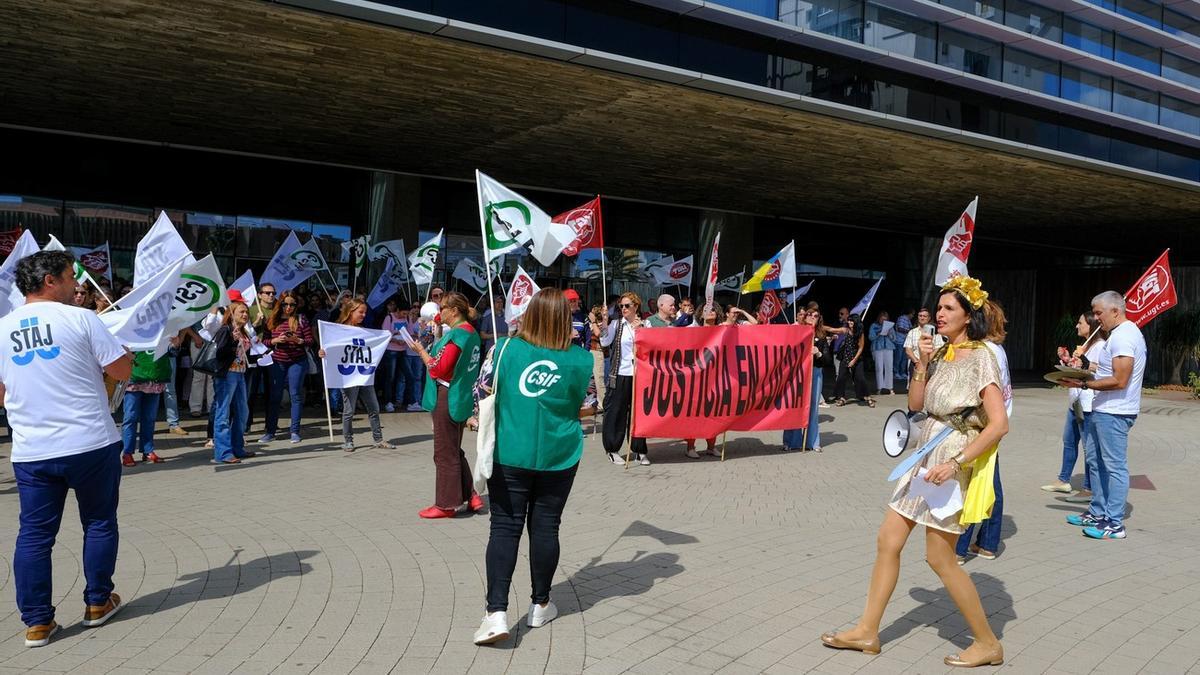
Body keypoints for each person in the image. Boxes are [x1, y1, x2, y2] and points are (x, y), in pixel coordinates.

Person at [820, 275, 1007, 667]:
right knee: (888, 539)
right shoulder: (938, 353)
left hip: (951, 459)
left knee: (940, 558)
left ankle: (988, 642)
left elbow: (998, 424)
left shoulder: (982, 356)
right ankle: (868, 631)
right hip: (924, 452)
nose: (939, 314)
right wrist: (922, 363)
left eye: (948, 308)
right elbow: (918, 403)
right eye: (938, 307)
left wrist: (957, 464)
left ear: (967, 316)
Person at [0, 251, 132, 647]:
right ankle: (97, 603)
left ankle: (37, 623)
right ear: (49, 281)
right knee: (99, 522)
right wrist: (125, 352)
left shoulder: (1, 328)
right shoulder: (82, 318)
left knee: (35, 536)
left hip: (32, 449)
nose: (78, 285)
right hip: (89, 442)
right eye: (72, 277)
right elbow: (122, 370)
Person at [473, 288, 593, 645]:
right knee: (546, 528)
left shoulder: (505, 349)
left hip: (512, 449)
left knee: (505, 528)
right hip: (560, 453)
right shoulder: (582, 359)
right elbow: (588, 405)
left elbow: (482, 391)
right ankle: (541, 603)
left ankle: (496, 612)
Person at [1061, 291, 1146, 540]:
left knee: (1114, 467)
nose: (1097, 319)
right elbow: (1108, 368)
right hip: (1104, 410)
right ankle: (1099, 512)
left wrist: (1083, 385)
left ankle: (1114, 522)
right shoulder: (1118, 335)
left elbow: (1120, 380)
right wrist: (1084, 368)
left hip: (1115, 413)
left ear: (1115, 311)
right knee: (1097, 464)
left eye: (1099, 313)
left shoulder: (1124, 336)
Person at [410, 291, 484, 518]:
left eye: (443, 308)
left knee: (444, 453)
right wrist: (439, 329)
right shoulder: (470, 332)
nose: (439, 312)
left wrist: (421, 351)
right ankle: (470, 494)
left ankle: (446, 504)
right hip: (460, 395)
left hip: (448, 395)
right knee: (452, 448)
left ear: (454, 311)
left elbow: (438, 368)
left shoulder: (459, 335)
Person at [956, 300, 1013, 564]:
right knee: (989, 481)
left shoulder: (983, 351)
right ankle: (988, 542)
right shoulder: (995, 349)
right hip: (992, 424)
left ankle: (958, 546)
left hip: (981, 425)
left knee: (969, 484)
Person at [317, 298, 396, 452]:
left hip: (364, 375)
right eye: (361, 312)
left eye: (365, 312)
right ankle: (348, 441)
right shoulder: (338, 331)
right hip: (348, 376)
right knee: (349, 410)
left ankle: (378, 439)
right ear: (350, 311)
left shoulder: (364, 331)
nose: (364, 315)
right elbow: (329, 349)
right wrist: (322, 353)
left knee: (374, 408)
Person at [1042, 313, 1105, 500]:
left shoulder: (1100, 346)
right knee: (1069, 442)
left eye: (1080, 323)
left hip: (1087, 403)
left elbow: (1099, 370)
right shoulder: (1086, 345)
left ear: (1091, 325)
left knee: (1088, 447)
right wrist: (1068, 361)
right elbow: (1080, 369)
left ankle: (1089, 488)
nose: (1077, 326)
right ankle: (1063, 480)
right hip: (1075, 402)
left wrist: (1084, 362)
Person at [600, 292, 648, 466]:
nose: (623, 309)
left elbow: (650, 346)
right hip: (620, 373)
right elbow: (604, 342)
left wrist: (640, 330)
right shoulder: (616, 324)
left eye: (627, 306)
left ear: (636, 306)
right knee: (616, 412)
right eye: (621, 306)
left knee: (638, 414)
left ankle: (639, 449)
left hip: (639, 375)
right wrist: (605, 321)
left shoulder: (645, 324)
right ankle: (612, 449)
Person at [261, 291, 313, 444]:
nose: (288, 307)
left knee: (295, 395)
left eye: (292, 304)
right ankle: (270, 431)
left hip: (297, 361)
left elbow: (310, 340)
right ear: (280, 304)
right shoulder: (272, 319)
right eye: (285, 304)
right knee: (274, 397)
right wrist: (276, 339)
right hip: (277, 361)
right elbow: (264, 341)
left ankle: (295, 431)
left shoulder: (300, 319)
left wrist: (298, 340)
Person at [211, 301, 257, 464]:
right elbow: (220, 353)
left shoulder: (243, 331)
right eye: (241, 312)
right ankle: (223, 452)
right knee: (223, 413)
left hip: (240, 374)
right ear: (232, 314)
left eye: (246, 312)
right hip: (226, 375)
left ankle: (237, 447)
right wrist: (232, 340)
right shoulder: (225, 330)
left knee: (242, 412)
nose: (245, 315)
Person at [783, 308, 829, 452]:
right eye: (810, 314)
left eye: (816, 316)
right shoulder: (797, 332)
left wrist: (818, 353)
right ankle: (791, 442)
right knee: (794, 407)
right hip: (798, 374)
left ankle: (813, 442)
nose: (812, 317)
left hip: (814, 373)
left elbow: (827, 360)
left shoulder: (821, 337)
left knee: (813, 409)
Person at [120, 351, 172, 467]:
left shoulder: (160, 332)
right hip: (135, 377)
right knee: (130, 418)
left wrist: (175, 345)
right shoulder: (128, 332)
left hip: (155, 377)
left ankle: (147, 450)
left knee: (149, 418)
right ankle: (127, 452)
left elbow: (172, 352)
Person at [684, 304, 722, 458]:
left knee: (714, 412)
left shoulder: (723, 331)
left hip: (716, 376)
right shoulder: (692, 330)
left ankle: (711, 446)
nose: (710, 312)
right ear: (700, 314)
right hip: (696, 377)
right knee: (694, 412)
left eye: (713, 309)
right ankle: (690, 447)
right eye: (706, 310)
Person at [244, 283, 277, 432]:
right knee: (251, 390)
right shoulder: (251, 310)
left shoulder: (277, 311)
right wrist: (256, 322)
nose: (271, 295)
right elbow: (243, 331)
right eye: (267, 293)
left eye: (273, 293)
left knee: (271, 391)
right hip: (253, 354)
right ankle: (246, 423)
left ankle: (271, 424)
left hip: (272, 353)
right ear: (259, 295)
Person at [832, 314, 874, 408]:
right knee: (841, 378)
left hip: (857, 359)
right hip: (845, 358)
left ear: (856, 322)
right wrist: (820, 326)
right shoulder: (845, 330)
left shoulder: (860, 333)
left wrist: (854, 360)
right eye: (849, 320)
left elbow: (861, 347)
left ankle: (866, 396)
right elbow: (832, 330)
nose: (849, 322)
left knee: (860, 378)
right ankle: (841, 397)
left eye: (852, 321)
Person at [378, 297, 408, 412]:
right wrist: (395, 339)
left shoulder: (407, 318)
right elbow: (385, 334)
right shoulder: (389, 318)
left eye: (406, 314)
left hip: (403, 350)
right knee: (390, 377)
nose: (404, 315)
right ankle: (388, 402)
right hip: (391, 351)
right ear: (398, 310)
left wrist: (406, 339)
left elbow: (409, 332)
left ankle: (402, 400)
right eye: (403, 313)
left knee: (405, 376)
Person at [868, 310, 895, 395]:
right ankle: (879, 388)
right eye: (882, 319)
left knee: (889, 368)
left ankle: (889, 387)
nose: (883, 321)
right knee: (879, 368)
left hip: (888, 348)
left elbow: (894, 338)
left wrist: (889, 334)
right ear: (879, 319)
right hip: (877, 348)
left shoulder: (890, 326)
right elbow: (870, 337)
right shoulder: (874, 326)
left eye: (885, 319)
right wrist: (879, 333)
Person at [893, 309, 913, 386]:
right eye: (912, 314)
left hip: (905, 341)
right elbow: (900, 328)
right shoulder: (902, 318)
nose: (912, 316)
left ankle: (902, 372)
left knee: (904, 358)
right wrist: (909, 331)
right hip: (900, 340)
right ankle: (896, 372)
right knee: (898, 357)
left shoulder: (908, 320)